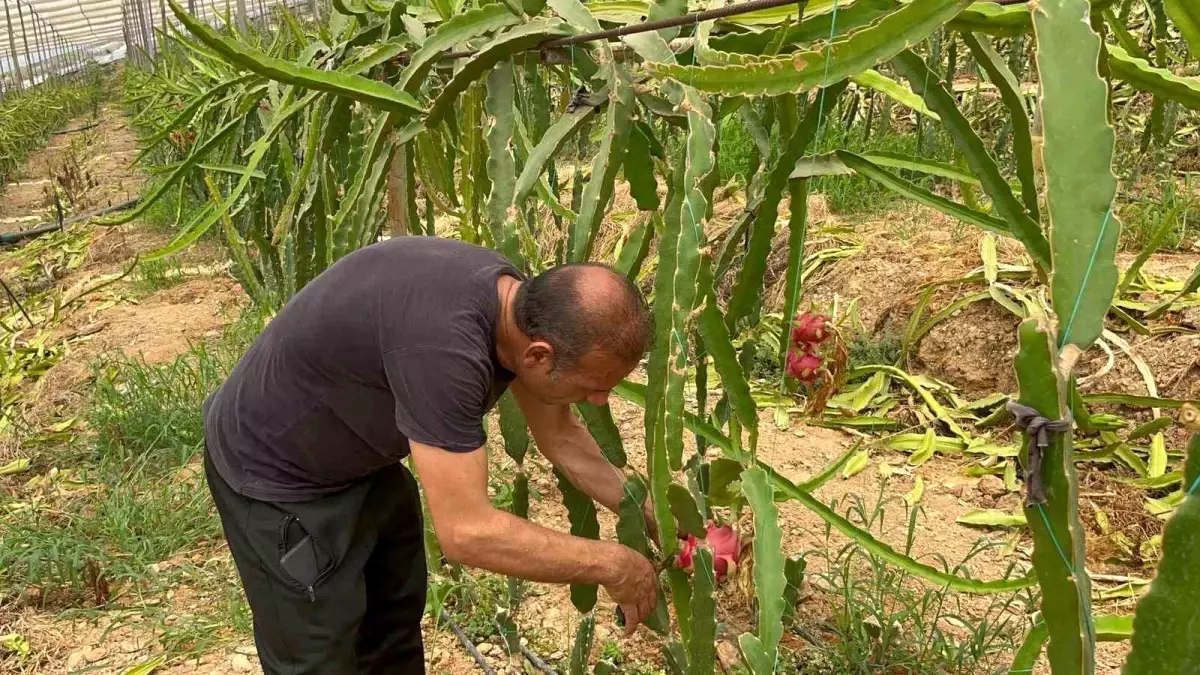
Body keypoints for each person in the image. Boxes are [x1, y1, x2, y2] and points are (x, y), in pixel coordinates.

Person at [202, 236, 660, 674]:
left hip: (358, 459)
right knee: (317, 657)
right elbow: (466, 532)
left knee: (392, 631)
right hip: (277, 477)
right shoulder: (445, 352)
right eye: (594, 386)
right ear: (539, 356)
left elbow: (559, 436)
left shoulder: (520, 308)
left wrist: (644, 510)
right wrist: (611, 564)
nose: (600, 399)